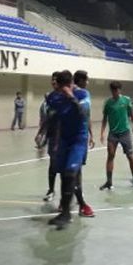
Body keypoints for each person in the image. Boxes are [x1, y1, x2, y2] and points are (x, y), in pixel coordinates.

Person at [46, 70, 91, 229]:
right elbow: (53, 119)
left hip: (78, 139)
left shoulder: (83, 94)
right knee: (63, 174)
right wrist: (49, 138)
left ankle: (70, 210)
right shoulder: (54, 97)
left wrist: (71, 97)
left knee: (71, 172)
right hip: (63, 139)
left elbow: (83, 112)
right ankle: (64, 211)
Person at [99, 81, 133, 190]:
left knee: (130, 156)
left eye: (117, 90)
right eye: (113, 90)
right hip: (113, 134)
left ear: (120, 90)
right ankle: (109, 181)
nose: (115, 92)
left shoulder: (126, 100)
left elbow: (131, 115)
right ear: (111, 91)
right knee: (110, 156)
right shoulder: (108, 103)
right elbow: (104, 119)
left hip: (125, 133)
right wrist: (102, 132)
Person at [71, 70, 94, 217]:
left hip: (82, 137)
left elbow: (87, 115)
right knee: (74, 172)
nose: (88, 82)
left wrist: (91, 134)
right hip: (74, 138)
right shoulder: (81, 94)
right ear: (80, 80)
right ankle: (81, 204)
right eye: (87, 79)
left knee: (74, 172)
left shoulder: (82, 94)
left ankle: (69, 201)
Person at [36, 72, 60, 201]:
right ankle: (51, 190)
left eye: (56, 80)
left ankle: (73, 191)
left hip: (64, 137)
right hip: (52, 136)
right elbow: (48, 117)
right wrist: (40, 132)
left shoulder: (65, 97)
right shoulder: (50, 98)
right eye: (52, 80)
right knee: (53, 164)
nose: (53, 82)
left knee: (67, 167)